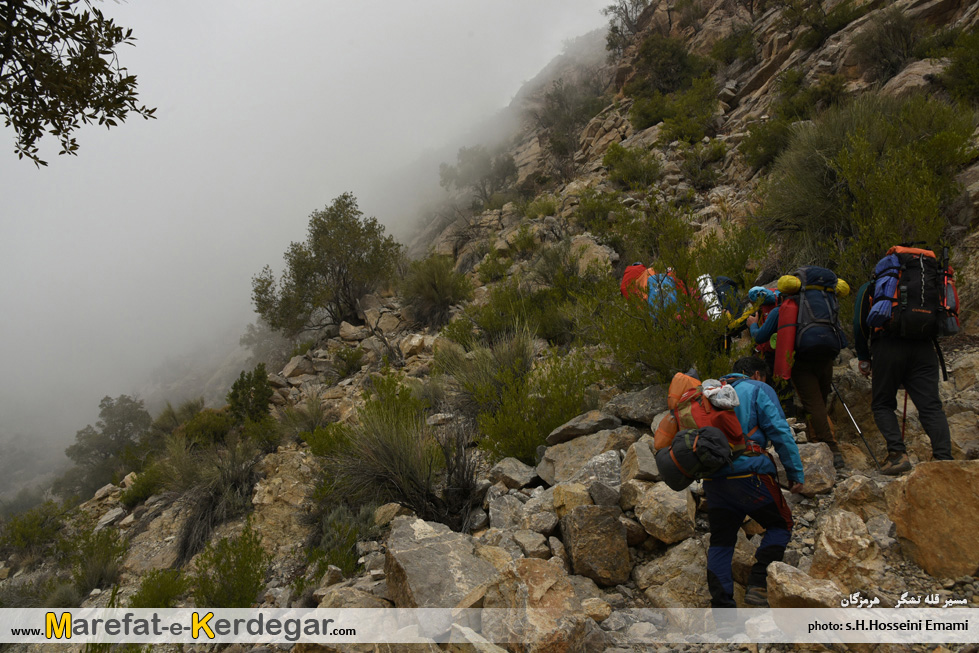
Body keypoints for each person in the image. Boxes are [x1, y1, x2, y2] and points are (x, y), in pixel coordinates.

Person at [703, 356, 805, 609]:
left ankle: (723, 613)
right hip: (751, 476)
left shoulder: (708, 394)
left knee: (721, 542)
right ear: (757, 374)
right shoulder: (759, 388)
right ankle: (758, 585)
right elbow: (780, 433)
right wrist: (795, 474)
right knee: (781, 524)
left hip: (714, 480)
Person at [746, 271, 848, 470]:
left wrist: (752, 326)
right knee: (820, 400)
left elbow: (760, 337)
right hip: (826, 357)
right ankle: (817, 440)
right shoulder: (825, 305)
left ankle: (832, 450)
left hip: (802, 361)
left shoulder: (782, 309)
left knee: (813, 404)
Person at [853, 281, 953, 474]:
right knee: (931, 405)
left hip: (888, 345)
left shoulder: (874, 284)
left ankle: (898, 455)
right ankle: (944, 458)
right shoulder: (928, 280)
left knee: (882, 403)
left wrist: (863, 356)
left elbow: (859, 323)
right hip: (924, 346)